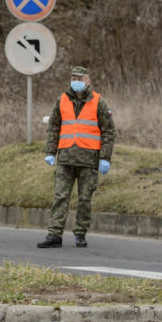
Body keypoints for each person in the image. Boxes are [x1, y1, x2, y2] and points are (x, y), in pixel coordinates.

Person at [37, 66, 115, 249]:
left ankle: (80, 233)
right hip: (65, 158)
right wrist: (50, 152)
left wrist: (105, 157)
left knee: (85, 198)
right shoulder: (62, 100)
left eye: (80, 78)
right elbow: (54, 127)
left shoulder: (99, 102)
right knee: (60, 197)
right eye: (73, 78)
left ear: (88, 81)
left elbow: (108, 132)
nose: (76, 81)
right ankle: (54, 233)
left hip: (88, 160)